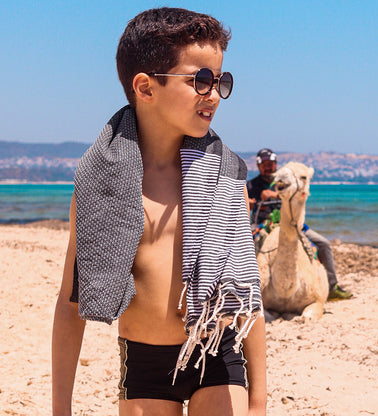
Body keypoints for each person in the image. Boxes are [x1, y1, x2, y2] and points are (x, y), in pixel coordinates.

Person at [52, 8, 266, 416]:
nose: (213, 95)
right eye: (201, 80)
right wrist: (60, 408)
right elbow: (70, 303)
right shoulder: (102, 183)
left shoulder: (226, 177)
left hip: (217, 354)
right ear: (146, 88)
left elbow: (247, 290)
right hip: (145, 362)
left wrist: (259, 401)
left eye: (221, 81)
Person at [247, 148, 352, 301]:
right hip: (262, 224)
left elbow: (297, 193)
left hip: (291, 224)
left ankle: (332, 286)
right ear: (258, 166)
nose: (268, 167)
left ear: (276, 164)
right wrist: (248, 203)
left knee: (323, 244)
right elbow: (239, 203)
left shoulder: (284, 180)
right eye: (265, 164)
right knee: (244, 247)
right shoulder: (251, 186)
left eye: (271, 163)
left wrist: (275, 194)